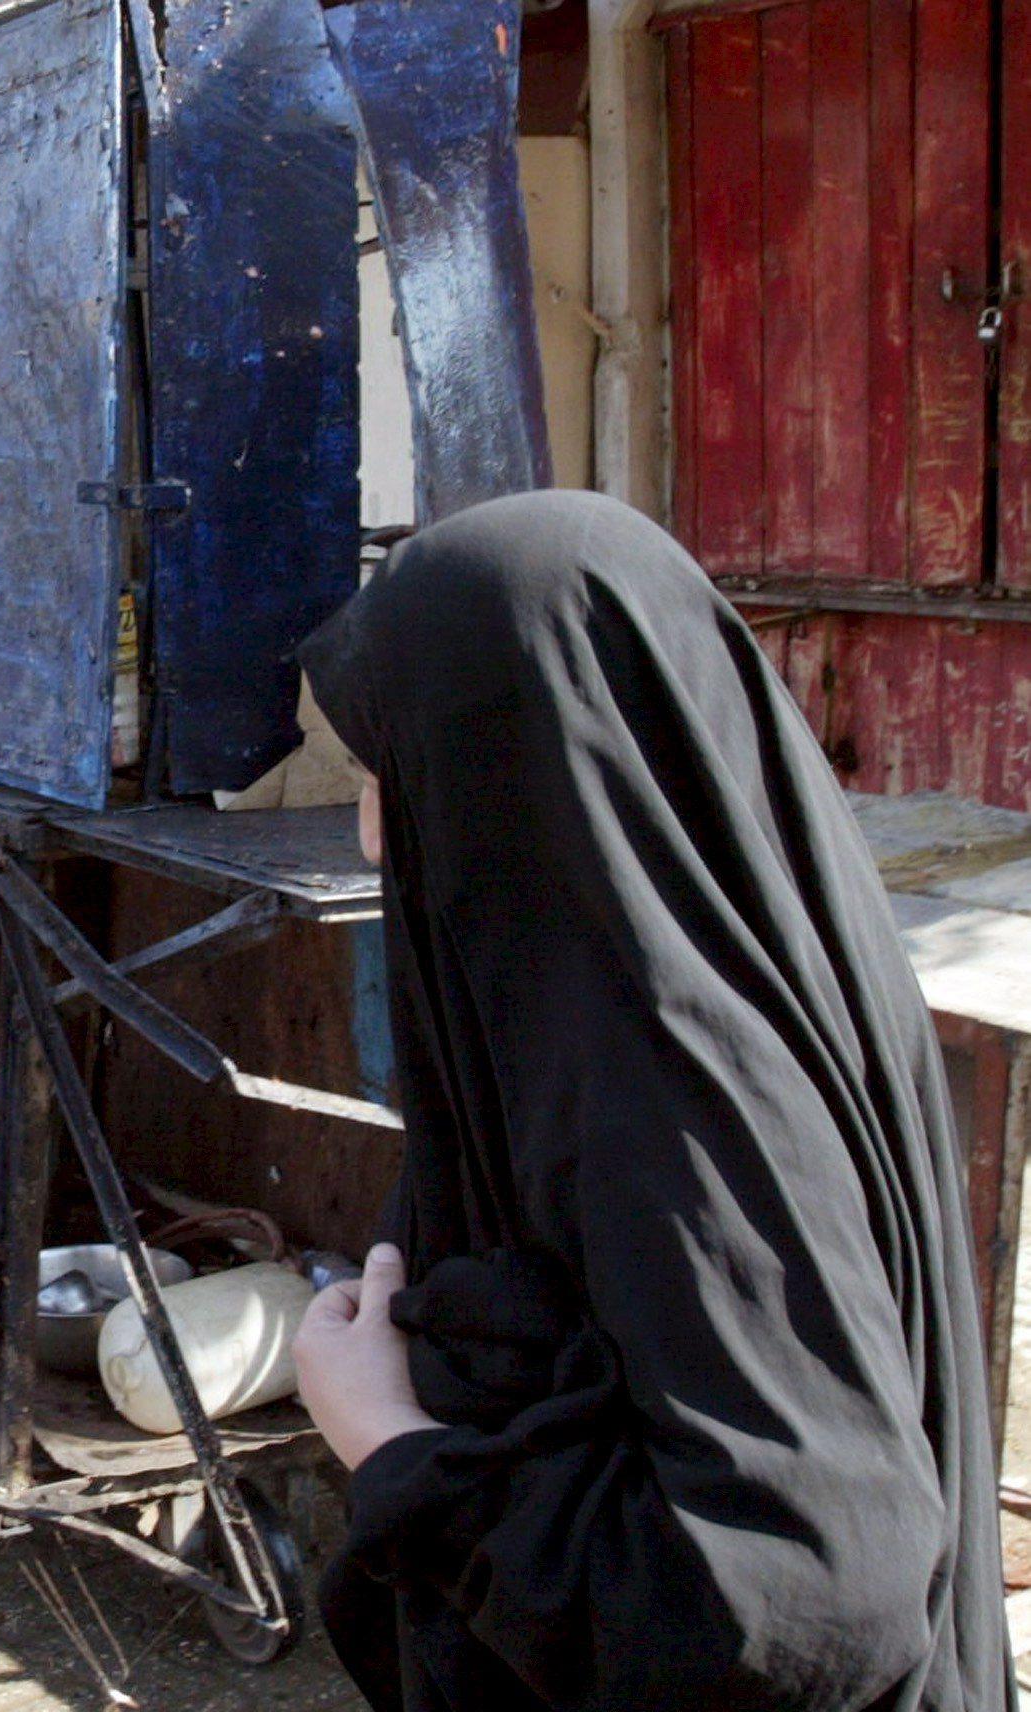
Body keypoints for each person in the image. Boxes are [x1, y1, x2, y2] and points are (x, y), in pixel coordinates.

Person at [290, 489, 1012, 1710]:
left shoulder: (667, 1092)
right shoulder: (729, 970)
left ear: (514, 768)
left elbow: (804, 1595)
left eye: (388, 771)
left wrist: (395, 1447)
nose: (370, 833)